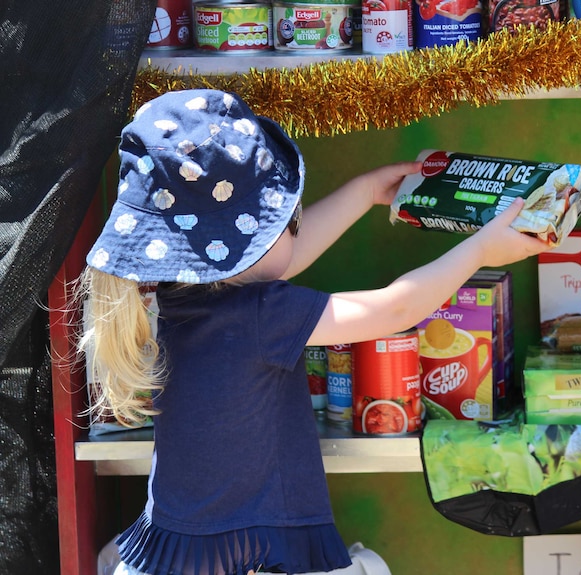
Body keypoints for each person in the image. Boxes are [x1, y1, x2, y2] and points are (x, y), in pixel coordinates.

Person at [77, 89, 553, 575]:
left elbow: (279, 260)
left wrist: (365, 192)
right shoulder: (259, 313)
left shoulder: (187, 295)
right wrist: (479, 251)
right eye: (286, 221)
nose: (294, 228)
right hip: (239, 561)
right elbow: (395, 309)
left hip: (183, 551)